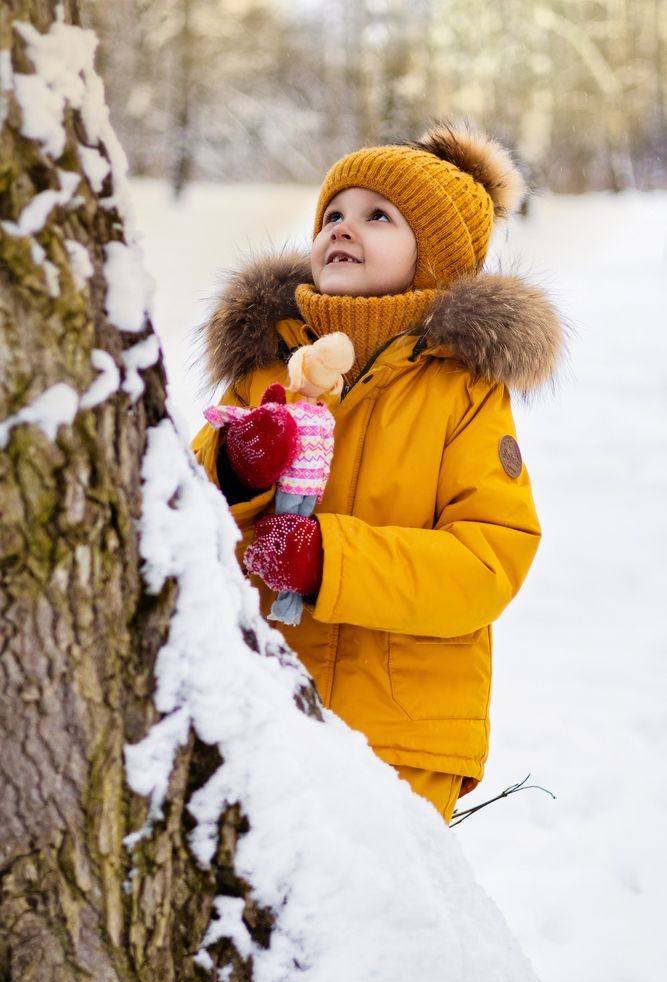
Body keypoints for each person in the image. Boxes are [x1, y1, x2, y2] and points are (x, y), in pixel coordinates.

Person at [192, 122, 564, 824]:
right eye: (332, 213)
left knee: (365, 923)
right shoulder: (269, 365)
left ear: (434, 256)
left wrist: (328, 560)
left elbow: (486, 560)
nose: (342, 228)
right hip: (260, 704)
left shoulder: (463, 390)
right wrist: (238, 467)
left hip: (398, 731)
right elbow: (182, 512)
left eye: (376, 216)